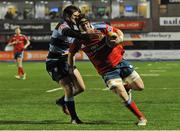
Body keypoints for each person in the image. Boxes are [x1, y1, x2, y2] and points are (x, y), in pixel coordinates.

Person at [68, 16, 147, 126]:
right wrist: (71, 68)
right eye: (82, 25)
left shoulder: (100, 27)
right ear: (79, 28)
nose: (85, 26)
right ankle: (141, 118)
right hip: (107, 71)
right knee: (122, 95)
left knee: (140, 87)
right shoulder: (78, 40)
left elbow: (117, 31)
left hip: (120, 62)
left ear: (89, 23)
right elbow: (71, 54)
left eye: (87, 24)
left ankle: (127, 87)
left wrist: (119, 39)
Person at [46, 5, 89, 124]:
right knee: (69, 88)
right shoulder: (62, 25)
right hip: (55, 62)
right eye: (75, 16)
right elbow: (68, 32)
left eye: (78, 15)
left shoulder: (76, 26)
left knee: (81, 88)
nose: (77, 17)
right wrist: (82, 34)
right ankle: (74, 119)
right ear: (67, 16)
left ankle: (62, 101)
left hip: (66, 61)